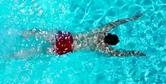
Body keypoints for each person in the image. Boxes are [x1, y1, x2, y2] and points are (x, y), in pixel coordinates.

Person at [13, 13, 146, 58]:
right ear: (109, 43)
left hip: (69, 38)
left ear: (109, 34)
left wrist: (132, 18)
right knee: (38, 51)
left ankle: (18, 33)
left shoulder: (102, 31)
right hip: (68, 48)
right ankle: (13, 56)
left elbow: (116, 22)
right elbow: (120, 54)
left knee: (37, 32)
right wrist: (135, 53)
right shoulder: (104, 48)